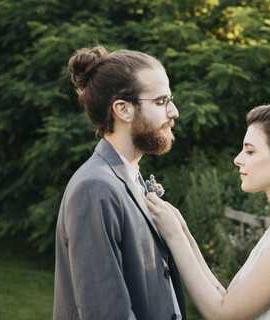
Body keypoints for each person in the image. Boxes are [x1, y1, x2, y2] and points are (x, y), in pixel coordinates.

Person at [145, 103, 270, 320]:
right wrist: (183, 231)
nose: (238, 159)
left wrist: (174, 236)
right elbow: (226, 299)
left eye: (250, 150)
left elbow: (223, 315)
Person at [53, 45, 185, 320]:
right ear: (123, 110)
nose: (174, 112)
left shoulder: (128, 178)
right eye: (161, 102)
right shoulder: (94, 187)